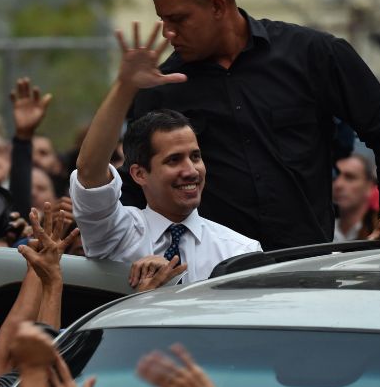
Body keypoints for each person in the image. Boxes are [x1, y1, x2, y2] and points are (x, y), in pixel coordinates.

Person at [124, 0, 380, 250]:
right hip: (215, 269)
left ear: (217, 6)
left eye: (178, 19)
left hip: (306, 262)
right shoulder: (162, 87)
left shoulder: (312, 54)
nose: (168, 33)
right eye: (163, 21)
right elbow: (135, 184)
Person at [71, 23, 261, 286]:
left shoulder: (240, 252)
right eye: (174, 160)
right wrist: (126, 87)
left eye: (195, 157)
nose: (191, 170)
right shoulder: (117, 234)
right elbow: (89, 172)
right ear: (139, 173)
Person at [332, 154, 377, 242]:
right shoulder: (319, 231)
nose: (338, 184)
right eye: (334, 177)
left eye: (350, 177)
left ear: (369, 186)